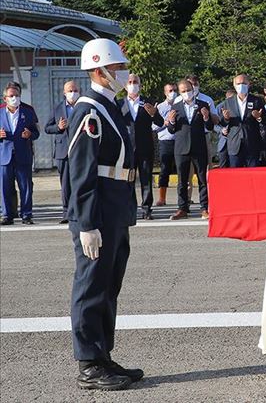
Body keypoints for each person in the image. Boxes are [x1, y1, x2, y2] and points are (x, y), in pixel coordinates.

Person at [67, 38, 142, 390]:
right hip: (97, 212)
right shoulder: (89, 110)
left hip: (115, 207)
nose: (123, 73)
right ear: (98, 71)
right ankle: (87, 364)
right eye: (117, 68)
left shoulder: (110, 106)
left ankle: (102, 355)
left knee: (109, 284)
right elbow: (81, 171)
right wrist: (86, 224)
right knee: (91, 284)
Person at [167, 79, 213, 220]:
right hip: (181, 148)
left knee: (202, 179)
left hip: (199, 146)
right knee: (182, 180)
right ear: (180, 93)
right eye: (183, 91)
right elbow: (171, 130)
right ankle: (182, 208)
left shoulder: (203, 105)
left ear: (193, 89)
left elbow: (210, 126)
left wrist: (206, 118)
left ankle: (204, 208)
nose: (187, 93)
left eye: (188, 89)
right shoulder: (176, 106)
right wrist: (172, 121)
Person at [121, 74, 163, 220]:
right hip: (127, 149)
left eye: (135, 82)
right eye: (130, 82)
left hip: (145, 147)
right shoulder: (119, 104)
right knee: (128, 180)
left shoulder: (148, 102)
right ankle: (131, 209)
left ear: (140, 84)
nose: (133, 84)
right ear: (125, 86)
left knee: (146, 179)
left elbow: (160, 122)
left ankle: (147, 209)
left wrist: (153, 114)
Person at [1, 84, 40, 225]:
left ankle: (27, 215)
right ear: (5, 98)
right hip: (5, 156)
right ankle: (7, 215)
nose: (14, 98)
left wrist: (30, 134)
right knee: (5, 187)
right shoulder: (0, 112)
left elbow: (36, 132)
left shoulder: (28, 111)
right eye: (11, 96)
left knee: (26, 186)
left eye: (16, 95)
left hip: (23, 155)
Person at [45, 80, 80, 223]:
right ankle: (66, 212)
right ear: (64, 93)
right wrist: (58, 127)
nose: (73, 93)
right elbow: (47, 128)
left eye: (75, 90)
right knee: (66, 184)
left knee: (79, 182)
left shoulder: (83, 106)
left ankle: (78, 211)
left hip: (79, 150)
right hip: (63, 151)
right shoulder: (58, 108)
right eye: (70, 91)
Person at [219, 74, 266, 168]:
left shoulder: (256, 101)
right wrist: (226, 118)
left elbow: (265, 122)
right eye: (238, 83)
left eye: (244, 83)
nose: (241, 85)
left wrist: (258, 118)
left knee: (253, 175)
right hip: (234, 144)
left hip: (252, 143)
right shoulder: (228, 102)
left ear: (249, 84)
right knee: (235, 175)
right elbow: (222, 123)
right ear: (234, 85)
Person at [154, 83, 177, 207]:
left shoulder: (180, 105)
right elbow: (153, 126)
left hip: (179, 141)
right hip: (166, 141)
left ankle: (184, 199)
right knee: (165, 170)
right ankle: (162, 198)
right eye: (170, 90)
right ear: (165, 92)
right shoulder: (160, 107)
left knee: (183, 169)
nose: (172, 92)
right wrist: (165, 122)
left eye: (174, 90)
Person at [214, 90, 234, 168]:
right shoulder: (220, 107)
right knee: (223, 166)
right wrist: (221, 130)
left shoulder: (240, 107)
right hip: (223, 141)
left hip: (237, 142)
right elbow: (215, 125)